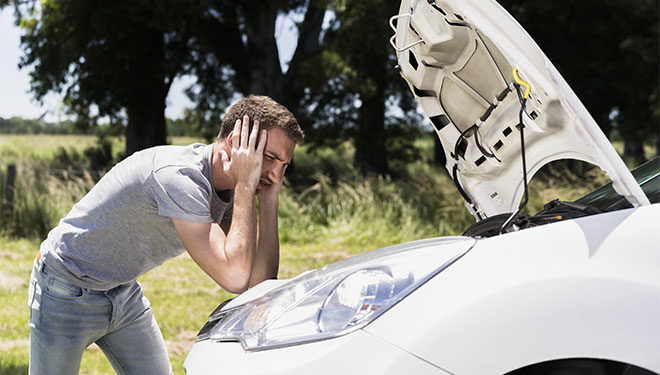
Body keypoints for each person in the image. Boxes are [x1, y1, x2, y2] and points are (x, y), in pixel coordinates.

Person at [27, 95, 304, 374]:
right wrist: (246, 183)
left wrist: (269, 199)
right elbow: (234, 277)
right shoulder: (180, 178)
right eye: (269, 158)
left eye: (284, 165)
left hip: (122, 291)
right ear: (235, 144)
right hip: (64, 287)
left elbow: (257, 286)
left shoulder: (234, 187)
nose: (276, 175)